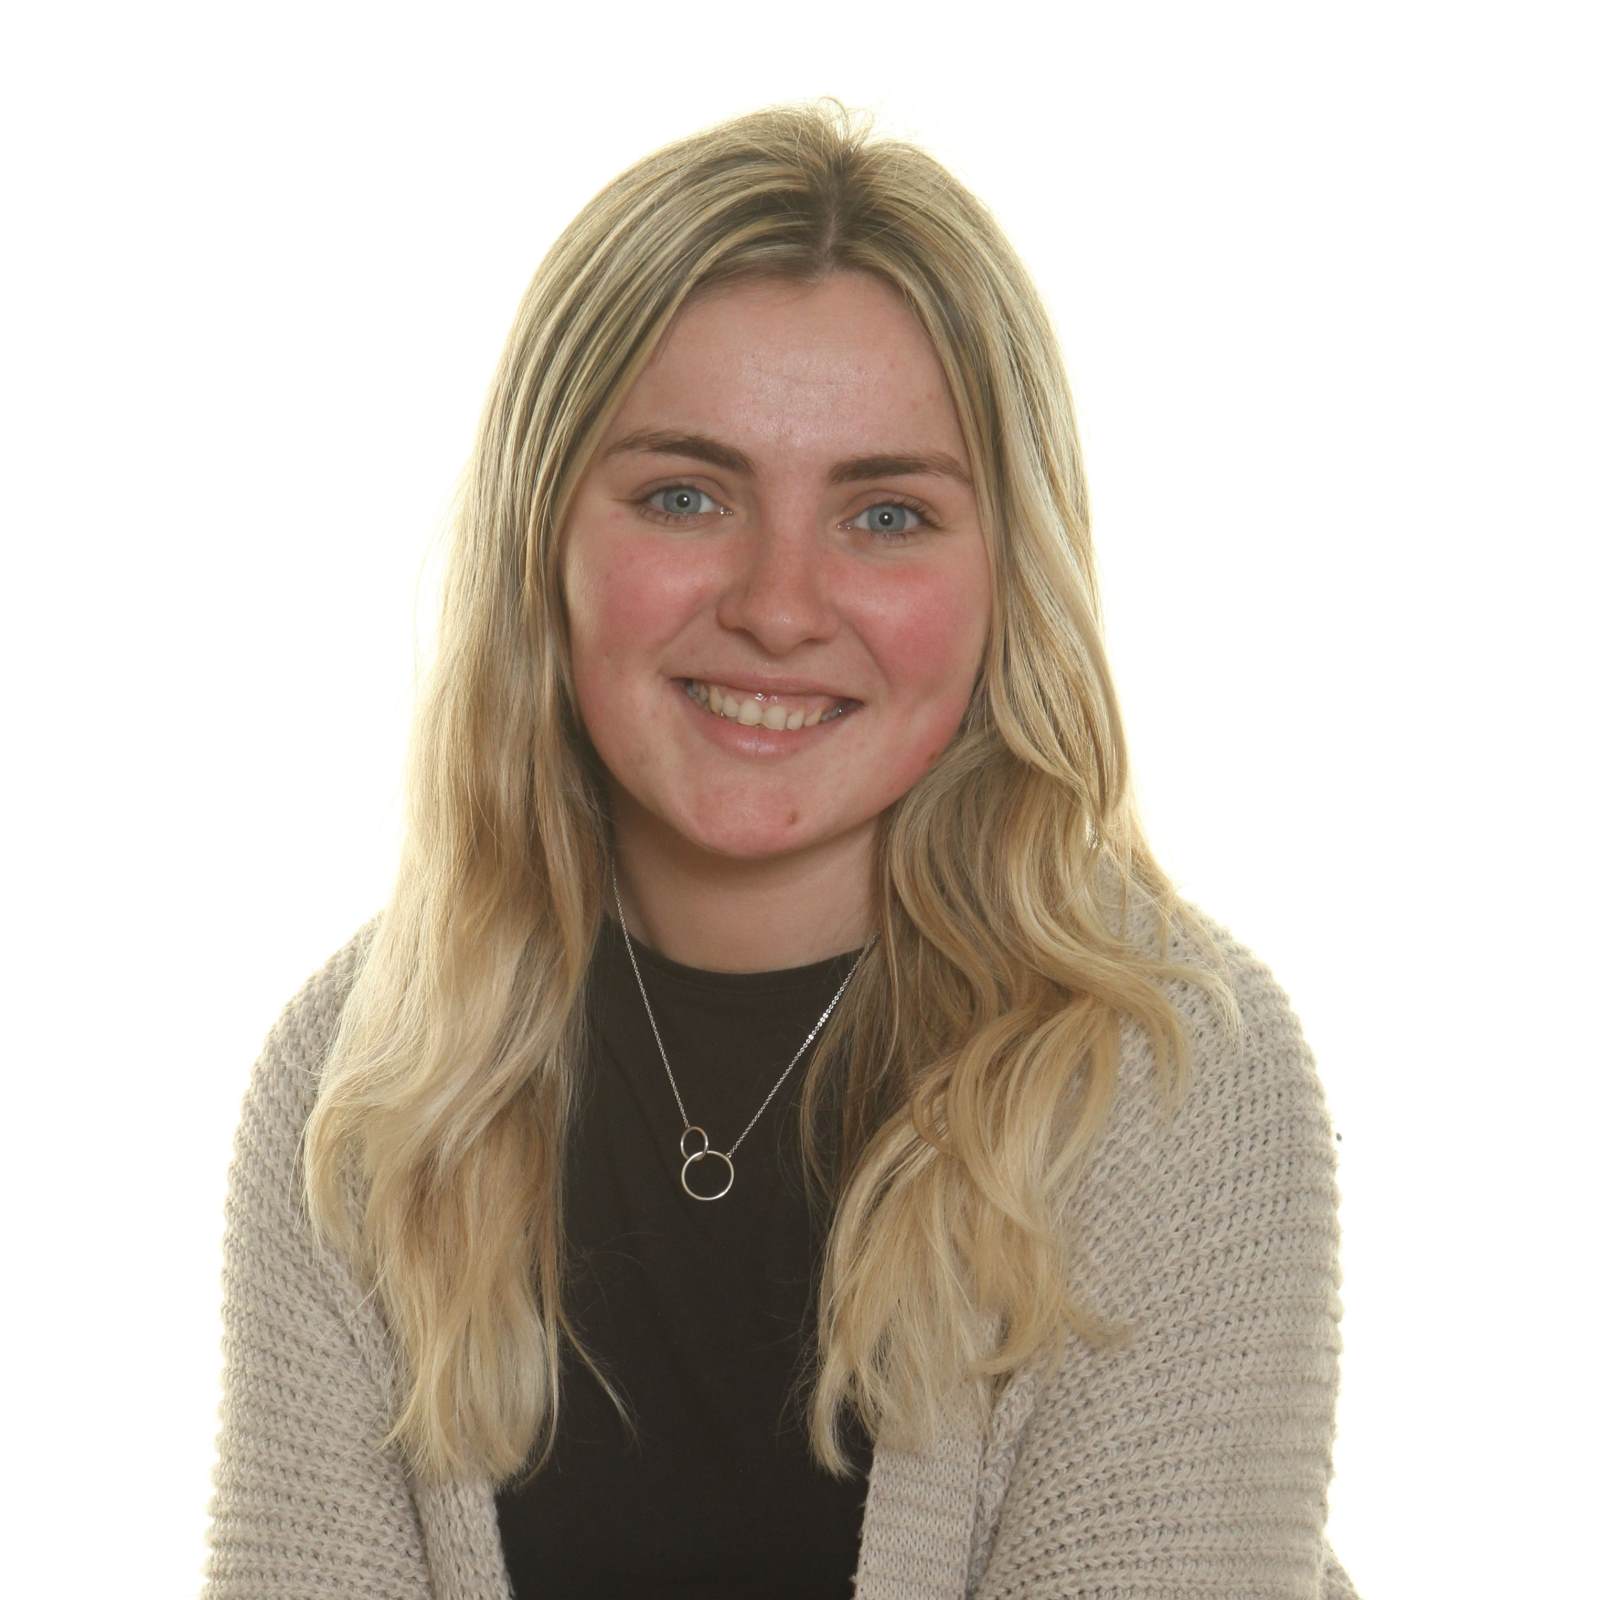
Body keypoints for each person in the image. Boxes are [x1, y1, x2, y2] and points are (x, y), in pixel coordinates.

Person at [201, 98, 1360, 1599]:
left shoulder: (1167, 1077)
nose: (779, 606)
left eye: (888, 515)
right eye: (685, 496)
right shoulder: (364, 1081)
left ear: (1008, 575)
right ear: (543, 540)